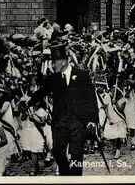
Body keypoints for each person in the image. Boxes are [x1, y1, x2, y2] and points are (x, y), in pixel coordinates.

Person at [28, 42, 99, 176]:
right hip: (59, 123)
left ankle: (75, 178)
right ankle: (66, 174)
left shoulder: (82, 75)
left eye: (54, 62)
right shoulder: (52, 78)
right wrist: (28, 102)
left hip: (77, 122)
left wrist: (93, 120)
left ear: (64, 61)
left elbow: (91, 98)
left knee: (77, 154)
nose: (52, 66)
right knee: (57, 152)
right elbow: (41, 92)